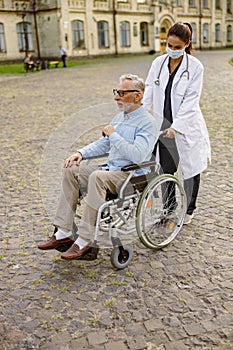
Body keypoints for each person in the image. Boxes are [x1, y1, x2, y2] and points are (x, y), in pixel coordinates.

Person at [38, 74, 160, 260]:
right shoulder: (120, 117)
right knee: (71, 169)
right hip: (111, 170)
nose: (116, 97)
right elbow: (104, 144)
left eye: (121, 93)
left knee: (97, 176)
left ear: (137, 96)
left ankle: (85, 239)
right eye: (116, 92)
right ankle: (63, 232)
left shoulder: (147, 122)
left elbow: (138, 155)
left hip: (132, 176)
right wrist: (81, 153)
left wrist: (113, 135)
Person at [142, 22, 211, 225]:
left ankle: (189, 208)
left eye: (177, 47)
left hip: (185, 126)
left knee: (191, 170)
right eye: (168, 45)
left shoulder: (195, 67)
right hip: (163, 125)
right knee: (165, 168)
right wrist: (141, 115)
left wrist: (176, 126)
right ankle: (169, 207)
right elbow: (148, 91)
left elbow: (191, 101)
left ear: (187, 44)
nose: (171, 50)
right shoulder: (158, 63)